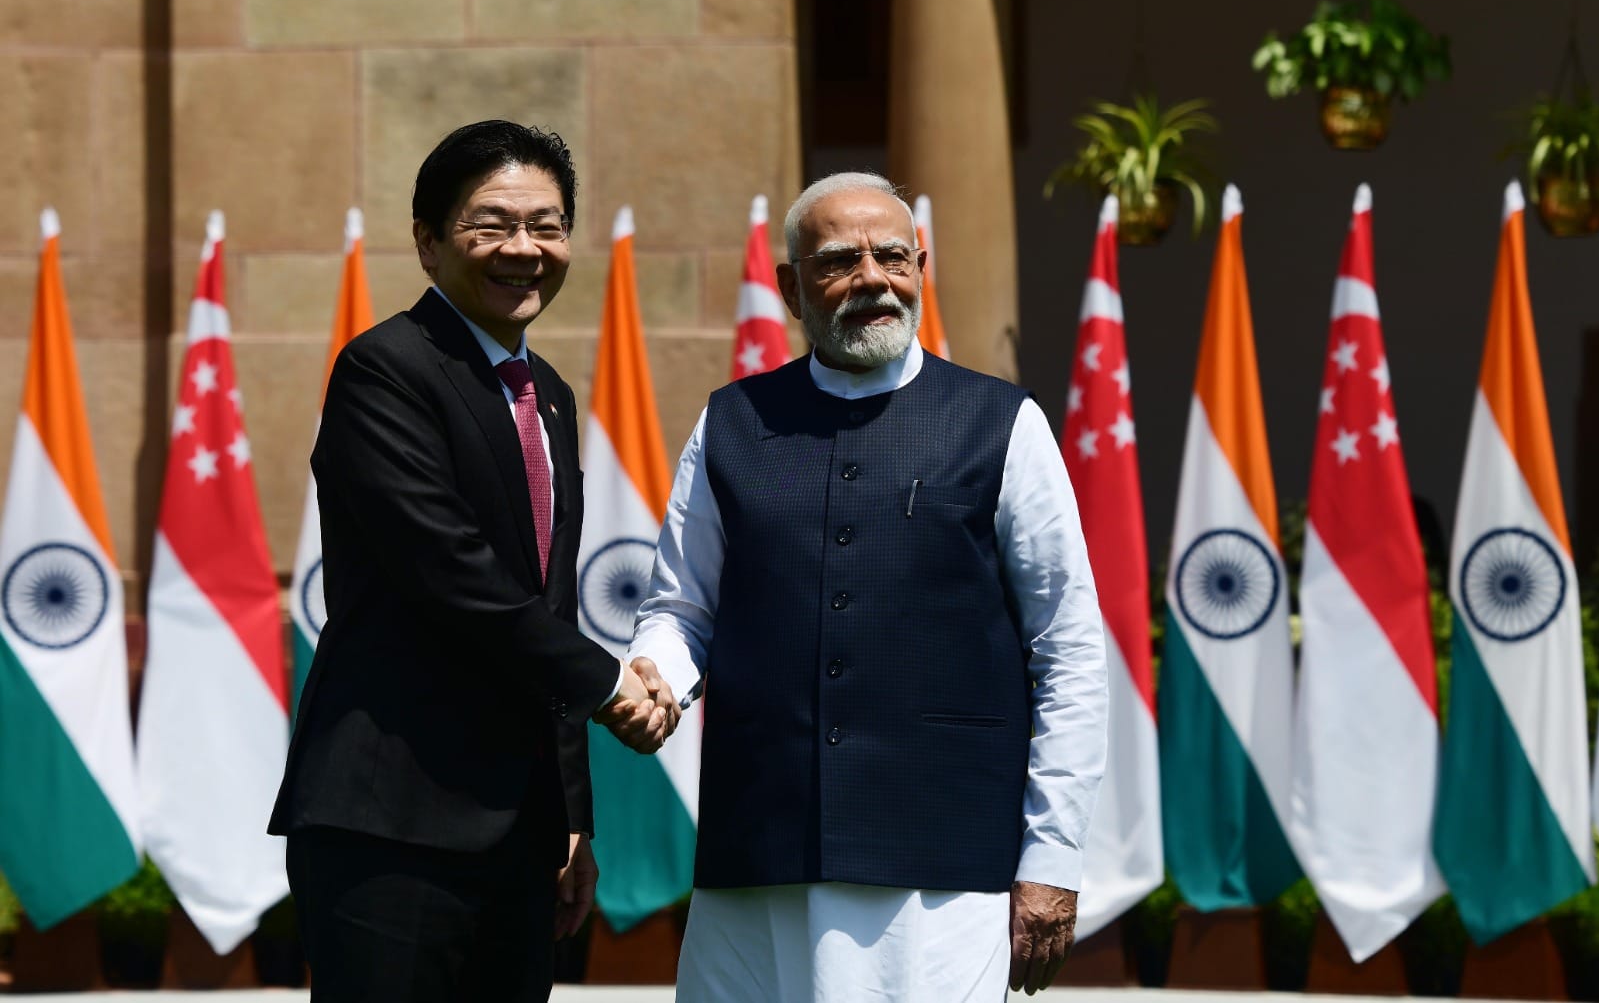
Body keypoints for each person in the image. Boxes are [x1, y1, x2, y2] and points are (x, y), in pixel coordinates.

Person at [625, 172, 1109, 1000]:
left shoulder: (1003, 423)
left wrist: (1052, 861)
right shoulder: (731, 422)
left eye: (893, 257)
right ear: (789, 288)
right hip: (759, 858)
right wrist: (655, 676)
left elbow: (1067, 653)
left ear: (921, 267)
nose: (872, 280)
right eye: (839, 262)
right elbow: (681, 607)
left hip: (947, 871)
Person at [269, 120, 677, 1002]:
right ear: (427, 241)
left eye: (548, 225)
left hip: (520, 834)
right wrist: (610, 687)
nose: (524, 249)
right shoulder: (385, 370)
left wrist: (571, 817)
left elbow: (548, 603)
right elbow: (448, 571)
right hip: (393, 823)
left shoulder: (554, 397)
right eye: (491, 225)